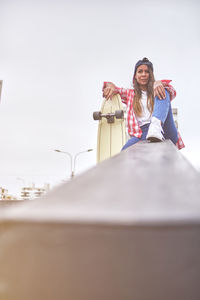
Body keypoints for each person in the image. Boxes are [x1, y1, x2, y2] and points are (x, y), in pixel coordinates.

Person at [102, 57, 184, 150]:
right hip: (142, 133)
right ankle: (153, 131)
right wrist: (110, 87)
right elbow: (112, 86)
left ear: (151, 75)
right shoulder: (130, 94)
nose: (144, 74)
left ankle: (156, 126)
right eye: (140, 71)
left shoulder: (157, 88)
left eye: (147, 71)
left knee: (163, 89)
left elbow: (172, 92)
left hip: (164, 128)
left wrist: (159, 83)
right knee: (124, 152)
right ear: (135, 76)